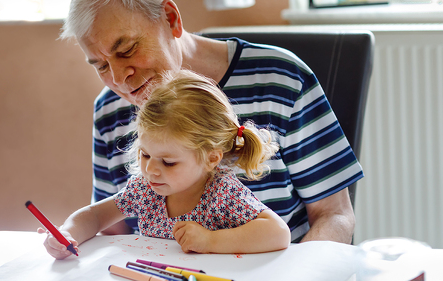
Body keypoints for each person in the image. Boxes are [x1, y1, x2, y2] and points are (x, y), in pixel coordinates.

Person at [60, 0, 363, 243]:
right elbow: (110, 231)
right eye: (100, 65)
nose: (118, 79)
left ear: (170, 18)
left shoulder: (281, 79)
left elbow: (333, 215)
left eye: (127, 50)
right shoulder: (109, 109)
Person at [41, 69, 291, 259]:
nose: (150, 169)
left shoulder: (221, 192)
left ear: (211, 158)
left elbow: (278, 233)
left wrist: (210, 241)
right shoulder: (145, 189)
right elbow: (95, 216)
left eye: (169, 162)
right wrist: (68, 233)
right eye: (145, 155)